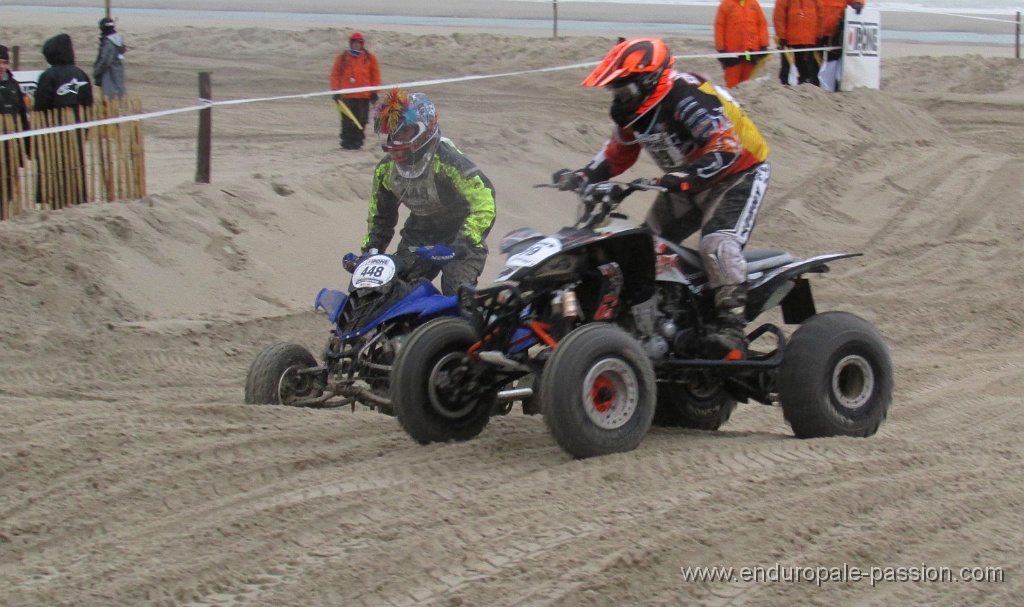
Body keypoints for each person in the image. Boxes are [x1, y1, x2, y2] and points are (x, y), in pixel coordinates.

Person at [554, 38, 770, 357]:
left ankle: (731, 329)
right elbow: (619, 153)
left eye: (624, 89)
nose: (619, 97)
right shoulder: (636, 111)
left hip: (738, 173)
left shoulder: (686, 97)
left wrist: (683, 178)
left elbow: (726, 148)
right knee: (645, 248)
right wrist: (585, 175)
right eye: (615, 90)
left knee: (717, 245)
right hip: (687, 179)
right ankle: (654, 321)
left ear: (648, 80)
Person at [359, 89, 496, 296]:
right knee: (395, 287)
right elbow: (380, 216)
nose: (396, 139)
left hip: (460, 233)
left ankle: (465, 327)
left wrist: (464, 240)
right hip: (420, 234)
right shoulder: (385, 170)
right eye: (393, 131)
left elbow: (485, 199)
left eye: (404, 131)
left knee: (457, 292)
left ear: (425, 129)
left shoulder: (448, 161)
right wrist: (372, 250)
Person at [35, 33, 94, 206]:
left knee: (53, 169)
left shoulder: (49, 75)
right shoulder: (81, 74)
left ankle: (53, 200)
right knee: (74, 169)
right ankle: (75, 198)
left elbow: (40, 106)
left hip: (52, 133)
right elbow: (88, 104)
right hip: (75, 131)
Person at [329, 32, 381, 150]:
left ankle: (358, 141)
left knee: (361, 120)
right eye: (354, 43)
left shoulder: (369, 57)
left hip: (363, 96)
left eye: (359, 43)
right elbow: (335, 74)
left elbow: (375, 75)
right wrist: (336, 91)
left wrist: (374, 92)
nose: (356, 45)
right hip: (346, 95)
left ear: (362, 44)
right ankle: (346, 141)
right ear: (351, 43)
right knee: (346, 119)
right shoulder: (342, 57)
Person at [0, 45, 31, 215]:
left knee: (8, 185)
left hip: (11, 144)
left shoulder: (13, 85)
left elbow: (22, 115)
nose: (1, 66)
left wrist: (27, 146)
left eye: (4, 62)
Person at [714, 0, 770, 88]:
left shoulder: (753, 4)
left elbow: (761, 25)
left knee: (748, 84)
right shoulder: (726, 5)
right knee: (732, 83)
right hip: (732, 53)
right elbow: (719, 27)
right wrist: (721, 50)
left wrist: (764, 45)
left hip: (751, 52)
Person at [773, 0, 823, 86]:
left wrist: (818, 35)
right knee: (787, 72)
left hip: (809, 41)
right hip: (790, 42)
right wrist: (782, 36)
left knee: (808, 72)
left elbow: (820, 15)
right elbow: (779, 15)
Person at [93, 16, 127, 99]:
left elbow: (105, 61)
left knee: (111, 98)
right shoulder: (118, 39)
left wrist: (96, 71)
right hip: (118, 73)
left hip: (109, 74)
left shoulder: (109, 41)